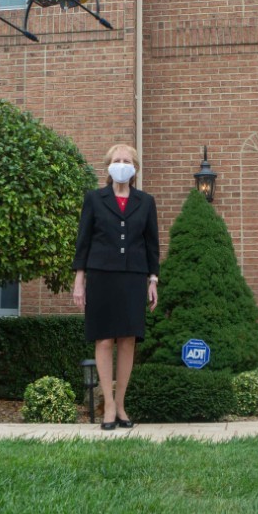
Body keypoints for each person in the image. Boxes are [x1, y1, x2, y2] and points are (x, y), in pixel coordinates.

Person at [72, 144, 160, 430]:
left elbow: (151, 245)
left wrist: (153, 280)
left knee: (128, 340)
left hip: (133, 276)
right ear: (108, 166)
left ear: (135, 168)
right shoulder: (94, 199)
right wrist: (79, 280)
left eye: (127, 161)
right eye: (117, 160)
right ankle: (107, 404)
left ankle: (121, 404)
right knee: (104, 339)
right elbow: (83, 241)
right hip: (101, 275)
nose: (121, 164)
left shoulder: (145, 202)